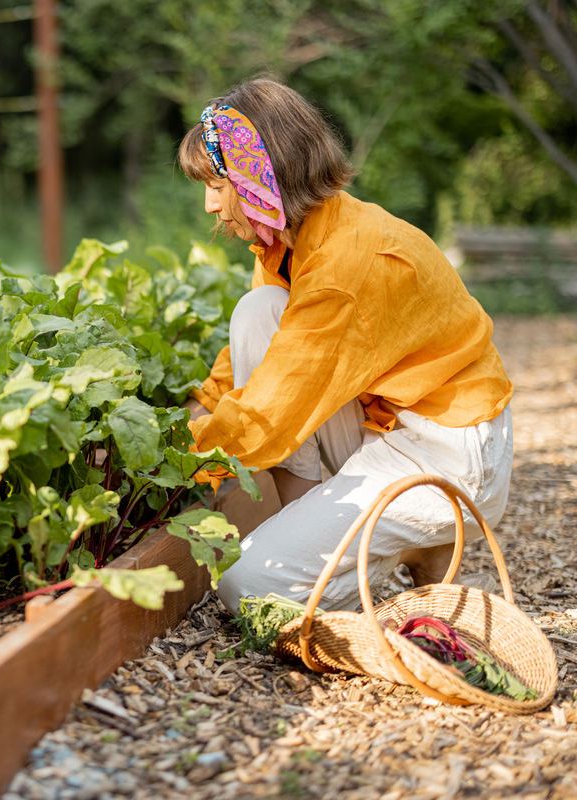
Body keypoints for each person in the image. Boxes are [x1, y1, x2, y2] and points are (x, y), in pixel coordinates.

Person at [177, 78, 514, 612]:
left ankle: (417, 535)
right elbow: (260, 365)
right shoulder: (288, 240)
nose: (208, 205)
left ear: (260, 178)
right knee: (258, 314)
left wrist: (174, 465)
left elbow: (271, 411)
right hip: (390, 423)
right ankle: (354, 540)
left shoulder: (344, 266)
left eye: (218, 185)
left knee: (250, 588)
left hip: (445, 453)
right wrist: (190, 415)